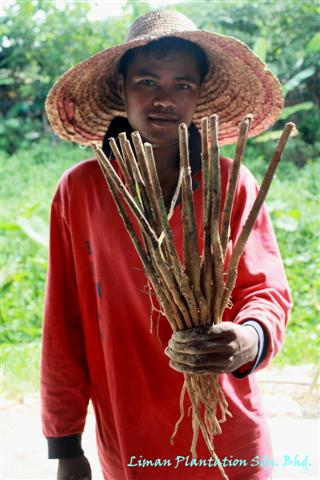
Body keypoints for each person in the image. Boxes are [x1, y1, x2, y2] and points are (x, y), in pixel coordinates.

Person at [42, 9, 291, 480]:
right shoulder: (82, 190)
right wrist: (65, 444)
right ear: (122, 88)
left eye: (183, 85)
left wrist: (246, 339)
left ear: (199, 96)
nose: (164, 98)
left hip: (230, 437)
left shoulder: (231, 181)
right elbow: (64, 320)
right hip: (132, 439)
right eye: (147, 81)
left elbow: (267, 292)